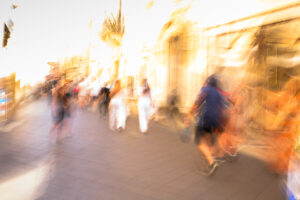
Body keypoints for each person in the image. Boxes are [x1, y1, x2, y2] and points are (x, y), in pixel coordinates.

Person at [186, 75, 226, 175]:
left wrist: (188, 117)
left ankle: (212, 163)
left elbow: (197, 103)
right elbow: (221, 108)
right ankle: (209, 160)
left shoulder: (205, 89)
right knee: (207, 139)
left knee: (199, 142)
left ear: (207, 82)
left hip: (205, 118)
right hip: (216, 120)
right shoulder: (218, 93)